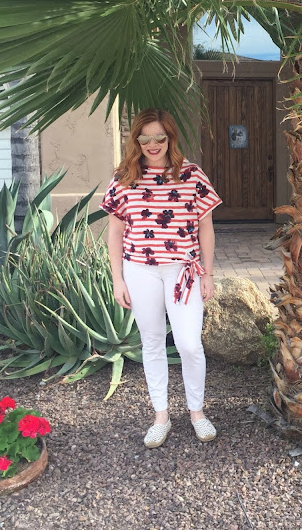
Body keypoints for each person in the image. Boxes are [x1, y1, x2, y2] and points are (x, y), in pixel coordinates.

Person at [100, 108, 222, 448]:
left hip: (183, 271)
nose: (153, 145)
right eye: (145, 139)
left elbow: (206, 228)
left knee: (189, 344)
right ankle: (161, 416)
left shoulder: (192, 175)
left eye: (160, 138)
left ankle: (197, 412)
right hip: (139, 270)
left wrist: (208, 274)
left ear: (170, 138)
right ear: (136, 141)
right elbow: (115, 233)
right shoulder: (124, 178)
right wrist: (117, 279)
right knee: (152, 342)